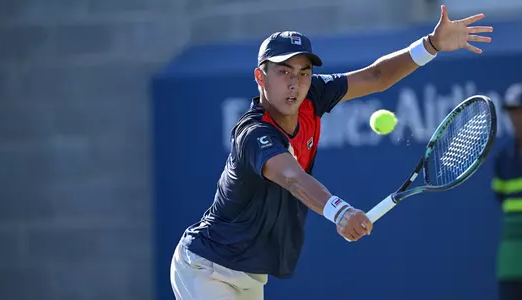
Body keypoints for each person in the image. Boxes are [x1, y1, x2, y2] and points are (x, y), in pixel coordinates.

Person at [170, 5, 493, 299]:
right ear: (260, 77)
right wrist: (340, 212)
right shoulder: (254, 133)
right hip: (207, 268)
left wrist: (431, 45)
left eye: (303, 73)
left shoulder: (313, 96)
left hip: (252, 275)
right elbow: (293, 178)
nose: (295, 83)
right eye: (283, 72)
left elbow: (376, 76)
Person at [493, 84, 522, 300]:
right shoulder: (503, 160)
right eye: (512, 111)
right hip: (511, 261)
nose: (516, 117)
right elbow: (502, 199)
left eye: (520, 110)